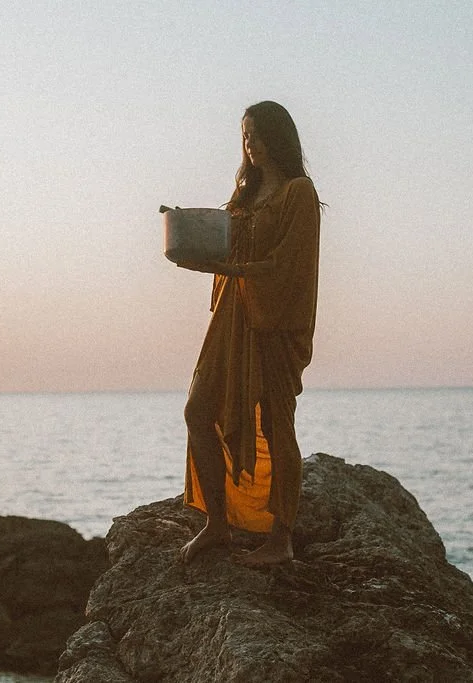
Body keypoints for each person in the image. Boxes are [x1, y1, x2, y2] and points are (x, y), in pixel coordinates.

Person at [176, 101, 321, 567]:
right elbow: (224, 247)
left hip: (274, 322)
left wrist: (229, 267)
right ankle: (217, 523)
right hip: (232, 322)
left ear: (276, 139)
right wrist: (191, 236)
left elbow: (289, 265)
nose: (249, 145)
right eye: (244, 136)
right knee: (198, 411)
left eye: (256, 136)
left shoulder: (298, 193)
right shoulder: (245, 196)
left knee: (277, 424)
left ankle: (281, 538)